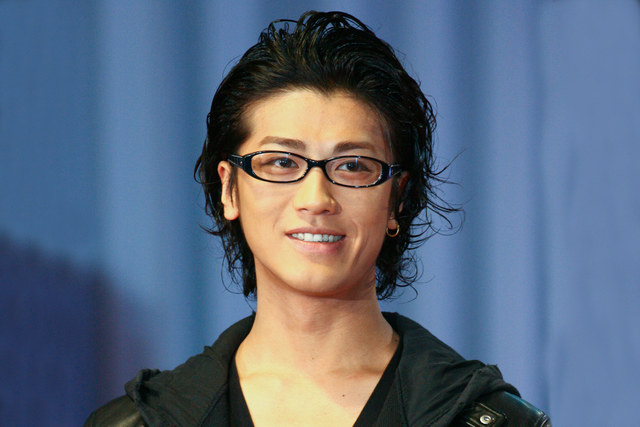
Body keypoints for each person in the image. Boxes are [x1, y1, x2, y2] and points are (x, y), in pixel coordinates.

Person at [86, 11, 550, 426]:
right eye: (281, 162)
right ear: (229, 189)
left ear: (397, 199)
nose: (316, 198)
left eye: (353, 166)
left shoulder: (491, 421)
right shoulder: (136, 423)